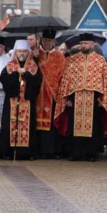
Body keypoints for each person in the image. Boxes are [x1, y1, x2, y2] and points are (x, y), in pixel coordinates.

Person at [54, 33, 107, 161]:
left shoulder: (100, 60)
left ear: (92, 44)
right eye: (81, 43)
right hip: (75, 98)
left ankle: (91, 154)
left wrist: (102, 98)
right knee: (74, 126)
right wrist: (67, 99)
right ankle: (75, 153)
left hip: (94, 98)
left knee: (93, 127)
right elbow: (66, 81)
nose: (82, 46)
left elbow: (105, 81)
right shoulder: (73, 59)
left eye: (85, 43)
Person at [0, 39, 42, 160]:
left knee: (29, 127)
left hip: (27, 102)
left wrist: (26, 74)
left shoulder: (34, 66)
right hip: (12, 102)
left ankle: (27, 153)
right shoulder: (10, 66)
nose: (21, 54)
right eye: (19, 51)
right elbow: (4, 80)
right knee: (9, 126)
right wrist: (15, 75)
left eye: (24, 51)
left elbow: (38, 83)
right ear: (15, 53)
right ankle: (9, 152)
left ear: (28, 52)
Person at [32, 29, 66, 159]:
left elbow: (63, 75)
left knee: (52, 123)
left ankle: (51, 150)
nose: (47, 43)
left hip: (52, 95)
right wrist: (34, 57)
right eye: (45, 40)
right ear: (41, 40)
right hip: (37, 93)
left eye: (49, 40)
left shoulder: (59, 56)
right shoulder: (35, 54)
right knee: (36, 122)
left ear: (53, 42)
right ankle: (38, 150)